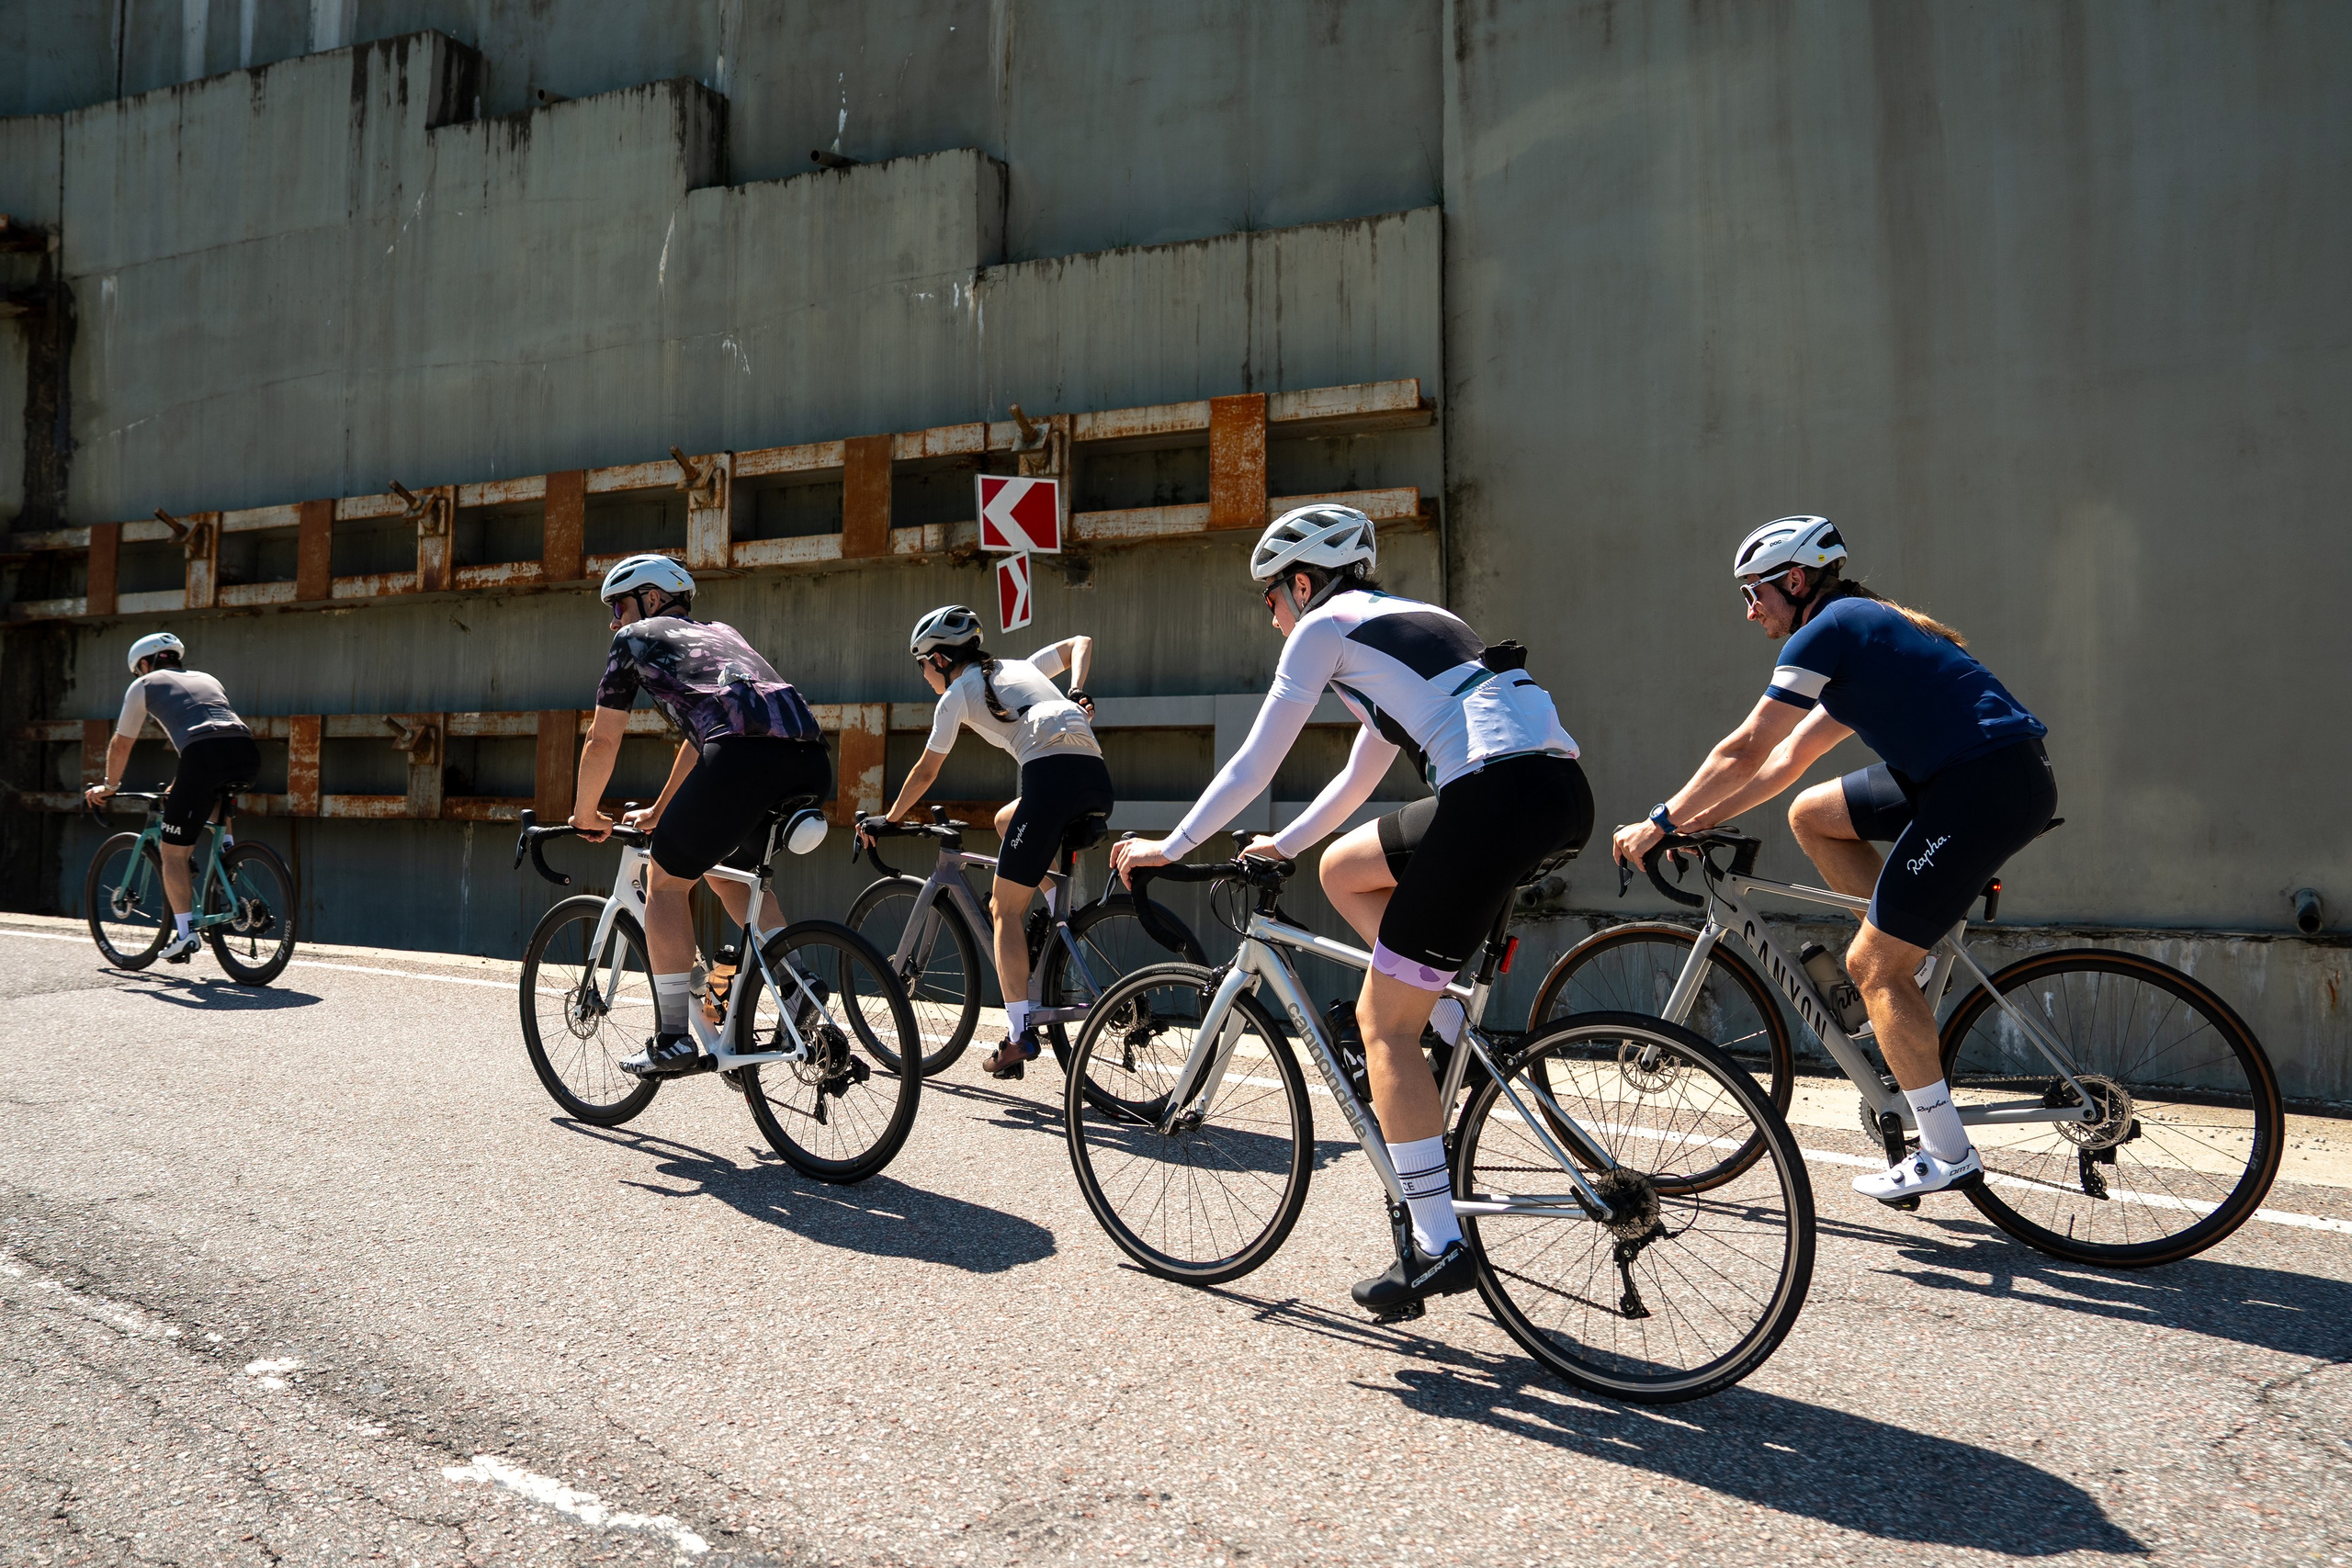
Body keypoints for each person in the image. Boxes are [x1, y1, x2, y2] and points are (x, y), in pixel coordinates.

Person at [1109, 505, 1590, 1314]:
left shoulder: (1322, 627)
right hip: (1554, 792)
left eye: (1271, 596)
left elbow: (1259, 757)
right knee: (1345, 868)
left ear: (1302, 582)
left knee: (1381, 1026)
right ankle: (1435, 1016)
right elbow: (1359, 780)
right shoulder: (1409, 624)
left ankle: (1438, 1242)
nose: (1271, 613)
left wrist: (1175, 844)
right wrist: (1286, 845)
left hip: (1492, 800)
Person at [1611, 515, 2055, 1204]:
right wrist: (1698, 821)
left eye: (1753, 591)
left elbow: (1745, 748)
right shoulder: (1863, 629)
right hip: (1979, 775)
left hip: (1981, 787)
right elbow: (1787, 762)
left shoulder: (1831, 629)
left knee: (1870, 967)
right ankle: (1919, 958)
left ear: (1795, 580)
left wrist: (1660, 820)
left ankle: (1945, 1149)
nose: (1750, 608)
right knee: (1813, 815)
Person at [569, 554, 832, 1078]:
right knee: (723, 867)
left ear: (649, 598)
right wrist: (662, 810)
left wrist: (583, 813)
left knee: (663, 880)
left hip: (741, 760)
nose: (614, 620)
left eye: (618, 605)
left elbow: (602, 739)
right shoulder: (720, 632)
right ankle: (798, 983)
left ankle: (671, 1039)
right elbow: (699, 743)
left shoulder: (634, 640)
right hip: (809, 758)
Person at [861, 606, 1110, 1078]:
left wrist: (889, 819)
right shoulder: (1021, 668)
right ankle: (1061, 918)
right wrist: (1078, 691)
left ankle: (1018, 1037)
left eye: (922, 664)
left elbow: (926, 771)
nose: (924, 674)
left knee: (1003, 909)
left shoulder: (956, 694)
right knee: (1004, 821)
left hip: (1050, 782)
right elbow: (1082, 639)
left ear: (937, 659)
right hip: (1095, 780)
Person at [84, 632, 260, 964]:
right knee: (218, 789)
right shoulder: (207, 678)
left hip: (203, 757)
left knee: (173, 855)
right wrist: (178, 786)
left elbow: (122, 743)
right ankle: (229, 853)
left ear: (144, 664)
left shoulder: (145, 684)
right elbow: (211, 732)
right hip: (246, 752)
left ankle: (185, 935)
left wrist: (108, 786)